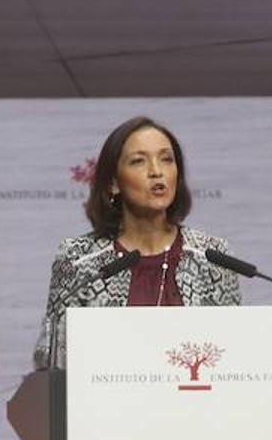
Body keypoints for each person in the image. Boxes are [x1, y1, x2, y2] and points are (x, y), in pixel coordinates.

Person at [32, 116, 241, 369]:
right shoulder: (78, 259)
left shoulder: (212, 256)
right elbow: (50, 360)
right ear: (113, 183)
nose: (157, 171)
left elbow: (231, 359)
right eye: (139, 161)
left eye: (166, 159)